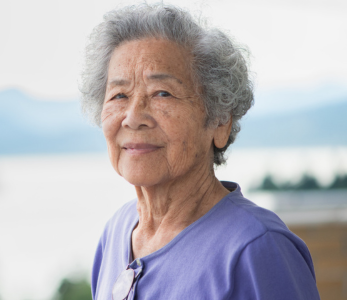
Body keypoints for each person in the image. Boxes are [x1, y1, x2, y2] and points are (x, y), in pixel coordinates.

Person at [79, 4, 320, 300]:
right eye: (119, 95)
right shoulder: (116, 232)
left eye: (162, 93)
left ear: (219, 121)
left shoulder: (256, 249)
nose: (133, 116)